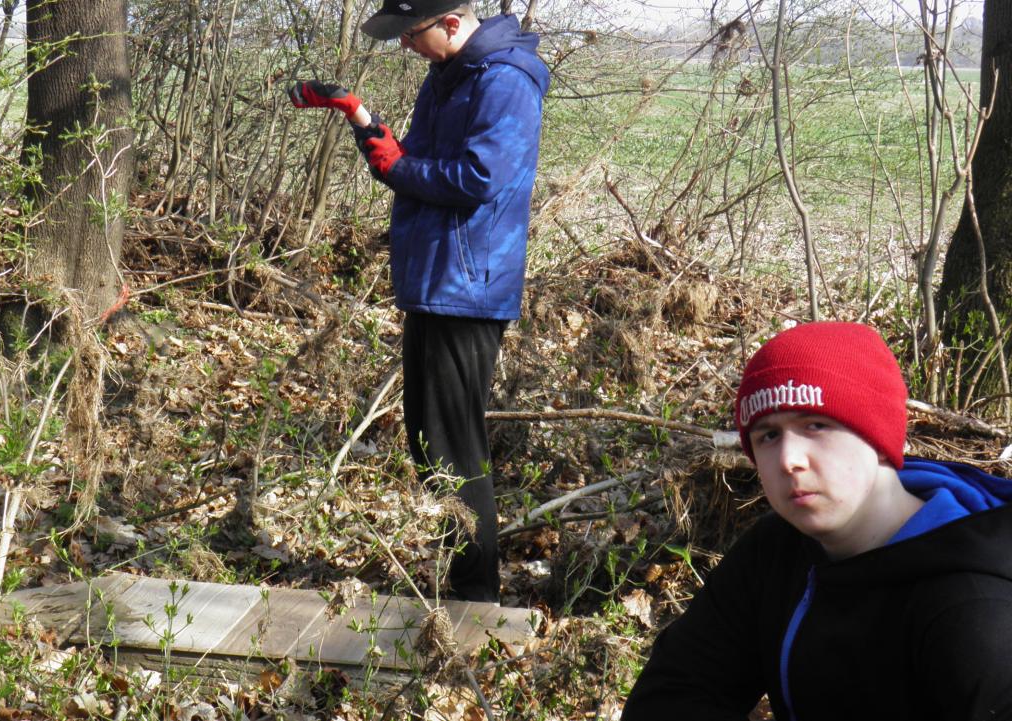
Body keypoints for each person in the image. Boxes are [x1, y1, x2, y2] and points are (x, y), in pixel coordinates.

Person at [287, 1, 550, 602]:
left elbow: (478, 178)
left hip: (468, 287)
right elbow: (411, 163)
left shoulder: (505, 80)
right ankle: (464, 584)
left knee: (453, 445)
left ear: (452, 22)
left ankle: (475, 600)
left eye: (411, 34)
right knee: (429, 439)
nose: (406, 46)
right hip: (435, 280)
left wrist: (398, 166)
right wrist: (359, 116)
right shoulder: (448, 76)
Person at [622, 321, 1012, 721]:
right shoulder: (776, 549)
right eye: (768, 435)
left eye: (816, 425)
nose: (788, 459)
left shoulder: (975, 612)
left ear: (878, 439)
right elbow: (671, 695)